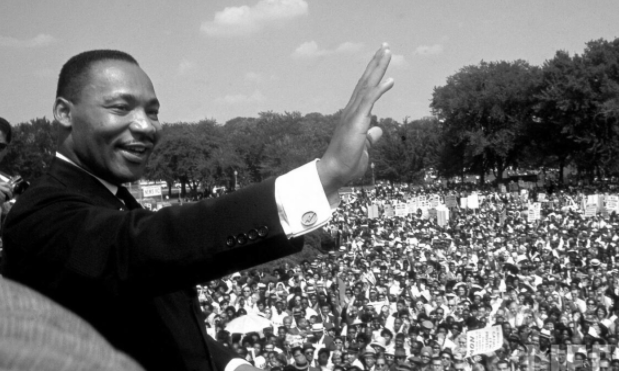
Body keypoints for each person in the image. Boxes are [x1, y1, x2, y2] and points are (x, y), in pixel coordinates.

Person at [1, 45, 393, 371]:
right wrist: (323, 177)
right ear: (65, 113)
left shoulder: (114, 200)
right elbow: (150, 245)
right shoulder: (40, 216)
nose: (145, 126)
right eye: (121, 108)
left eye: (152, 111)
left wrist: (232, 366)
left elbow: (158, 327)